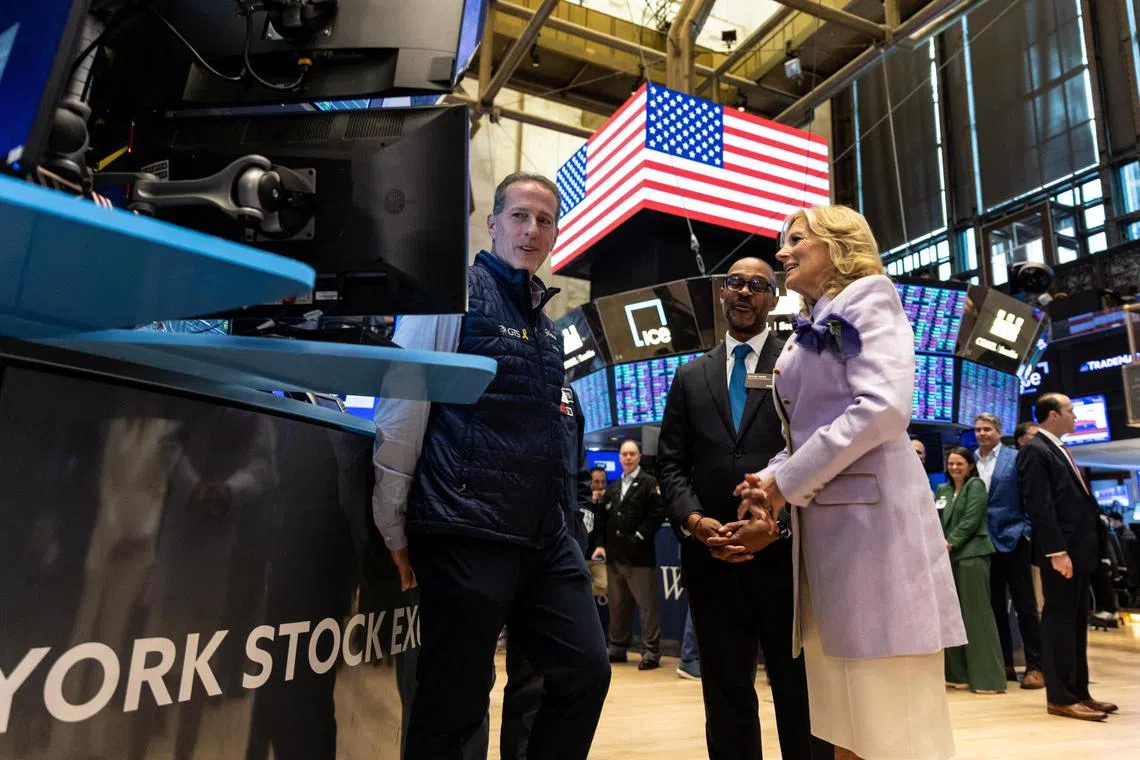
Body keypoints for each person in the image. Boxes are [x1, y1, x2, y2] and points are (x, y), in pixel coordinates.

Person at [372, 171, 610, 759]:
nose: (532, 230)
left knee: (586, 670)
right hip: (465, 527)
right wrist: (393, 520)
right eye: (520, 216)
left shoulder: (548, 330)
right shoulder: (450, 294)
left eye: (545, 220)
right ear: (493, 223)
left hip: (543, 538)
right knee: (453, 701)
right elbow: (403, 404)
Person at [734, 205, 966, 760]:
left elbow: (882, 407)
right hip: (833, 550)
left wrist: (786, 481)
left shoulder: (869, 296)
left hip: (874, 541)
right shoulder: (812, 323)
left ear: (839, 246)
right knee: (847, 725)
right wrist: (767, 480)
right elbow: (810, 429)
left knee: (894, 726)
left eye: (797, 239)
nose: (782, 251)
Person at [657, 256, 827, 759]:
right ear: (722, 293)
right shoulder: (689, 375)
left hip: (786, 557)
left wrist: (777, 524)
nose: (745, 291)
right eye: (736, 282)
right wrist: (694, 521)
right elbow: (671, 464)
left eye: (758, 284)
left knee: (799, 693)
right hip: (712, 559)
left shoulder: (797, 363)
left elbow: (814, 452)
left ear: (773, 299)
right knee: (726, 694)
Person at [1016, 393, 1118, 722]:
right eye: (1071, 411)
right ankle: (1060, 697)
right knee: (1059, 624)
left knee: (1075, 624)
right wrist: (1056, 551)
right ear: (1053, 415)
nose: (1076, 416)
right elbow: (1040, 505)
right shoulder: (1035, 450)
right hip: (1061, 554)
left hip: (1080, 551)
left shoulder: (1057, 448)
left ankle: (1079, 692)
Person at [972, 413, 1044, 689]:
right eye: (978, 429)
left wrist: (1025, 529)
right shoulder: (971, 460)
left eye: (987, 429)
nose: (982, 434)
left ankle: (1036, 666)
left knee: (1025, 605)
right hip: (983, 543)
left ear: (999, 432)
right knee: (994, 608)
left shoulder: (1015, 457)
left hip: (1013, 539)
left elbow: (1030, 494)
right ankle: (1004, 664)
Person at [936, 446, 1005, 694]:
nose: (954, 468)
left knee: (977, 617)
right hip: (947, 559)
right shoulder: (942, 490)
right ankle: (958, 674)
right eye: (951, 464)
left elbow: (971, 519)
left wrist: (950, 542)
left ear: (970, 466)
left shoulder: (975, 486)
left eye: (960, 464)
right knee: (952, 616)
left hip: (972, 556)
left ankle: (987, 679)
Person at [591, 440, 665, 669]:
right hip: (614, 557)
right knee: (617, 605)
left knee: (647, 607)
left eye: (632, 454)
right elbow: (601, 518)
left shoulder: (649, 483)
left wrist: (639, 536)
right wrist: (601, 545)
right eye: (624, 454)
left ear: (639, 456)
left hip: (639, 557)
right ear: (620, 458)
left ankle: (651, 652)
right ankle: (617, 647)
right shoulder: (614, 487)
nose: (628, 458)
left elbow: (657, 513)